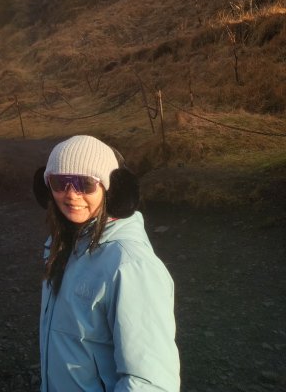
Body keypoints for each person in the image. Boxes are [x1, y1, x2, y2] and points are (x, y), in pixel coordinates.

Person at [32, 134, 180, 392]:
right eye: (59, 182)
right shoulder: (62, 246)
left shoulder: (130, 266)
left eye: (85, 183)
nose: (70, 194)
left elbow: (150, 382)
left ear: (111, 189)